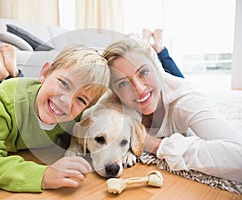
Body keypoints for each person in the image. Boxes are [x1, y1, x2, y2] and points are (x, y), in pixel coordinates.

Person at [0, 44, 111, 192]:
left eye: (81, 100)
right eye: (64, 84)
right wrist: (43, 175)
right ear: (45, 72)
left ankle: (14, 72)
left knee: (40, 95)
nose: (66, 101)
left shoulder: (76, 116)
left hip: (35, 95)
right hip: (0, 105)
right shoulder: (6, 100)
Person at [102, 32, 242, 183]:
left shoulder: (184, 99)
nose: (139, 88)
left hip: (170, 85)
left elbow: (238, 156)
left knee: (178, 76)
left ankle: (158, 45)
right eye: (123, 83)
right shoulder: (112, 103)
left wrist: (151, 143)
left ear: (157, 68)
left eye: (144, 72)